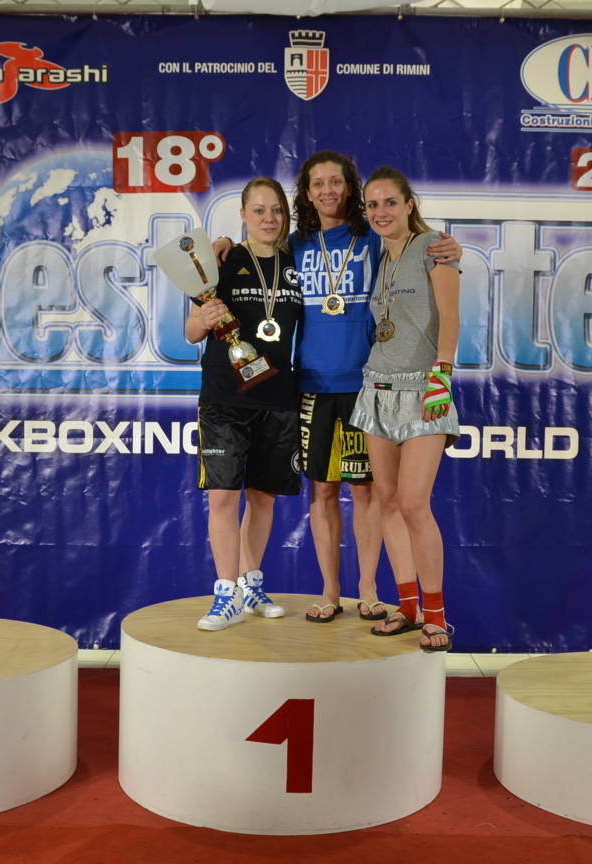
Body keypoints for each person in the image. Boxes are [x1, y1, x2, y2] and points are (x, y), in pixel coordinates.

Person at [215, 151, 458, 625]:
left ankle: (368, 590)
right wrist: (225, 241)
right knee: (322, 492)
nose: (327, 190)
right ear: (306, 194)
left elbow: (416, 246)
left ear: (350, 188)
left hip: (367, 384)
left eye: (336, 182)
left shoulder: (373, 235)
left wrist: (449, 246)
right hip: (311, 383)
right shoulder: (295, 244)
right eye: (317, 183)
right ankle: (330, 591)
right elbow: (256, 247)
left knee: (368, 493)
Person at [349, 166, 460, 652]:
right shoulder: (380, 256)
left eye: (390, 202)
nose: (381, 212)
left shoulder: (434, 246)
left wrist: (442, 375)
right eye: (372, 205)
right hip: (376, 388)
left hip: (423, 389)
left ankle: (436, 616)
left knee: (415, 504)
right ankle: (408, 606)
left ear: (409, 204)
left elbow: (451, 317)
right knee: (388, 502)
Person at [188, 178, 303, 631]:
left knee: (262, 497)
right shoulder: (221, 260)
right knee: (222, 496)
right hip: (224, 397)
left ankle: (251, 584)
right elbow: (191, 333)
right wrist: (203, 318)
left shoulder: (298, 263)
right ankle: (225, 593)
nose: (268, 219)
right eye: (259, 210)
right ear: (242, 215)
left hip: (278, 396)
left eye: (276, 210)